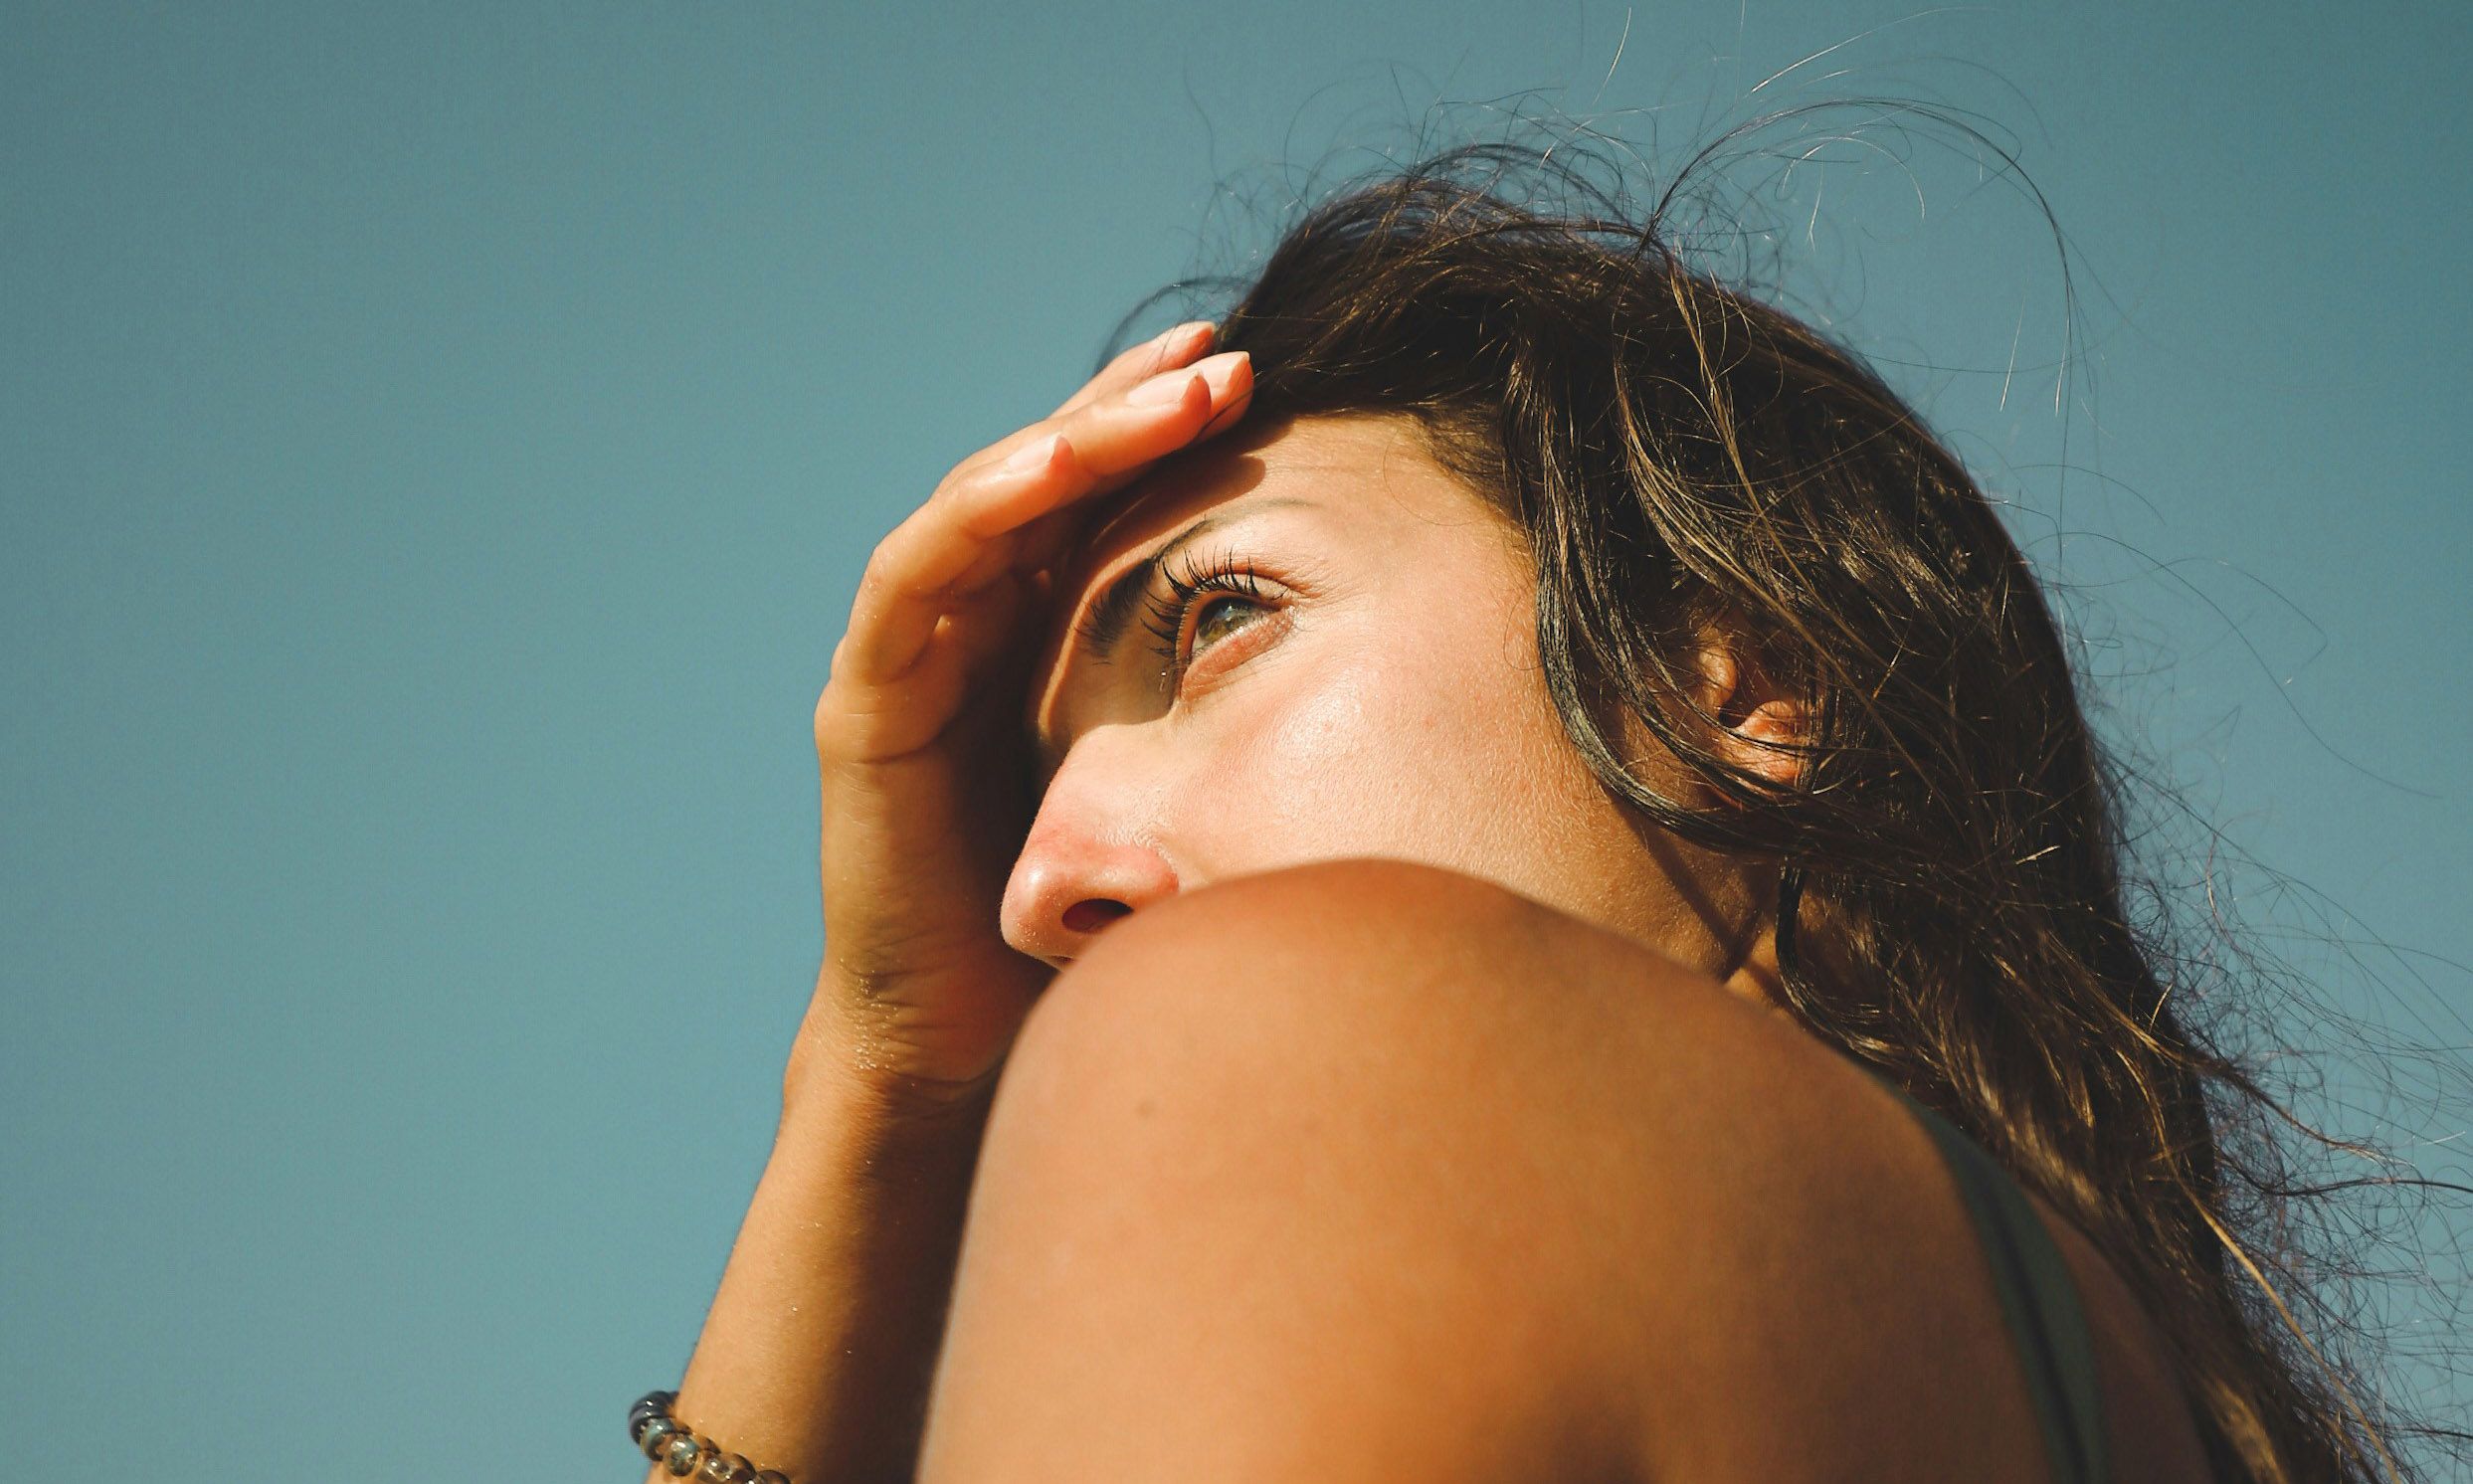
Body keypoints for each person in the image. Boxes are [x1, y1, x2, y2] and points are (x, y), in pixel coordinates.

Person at [634, 148, 2410, 1483]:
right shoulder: (2094, 1379)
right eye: (1030, 797)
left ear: (1737, 681)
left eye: (1219, 617)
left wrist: (871, 1102)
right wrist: (886, 1079)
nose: (1031, 894)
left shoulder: (1290, 1012)